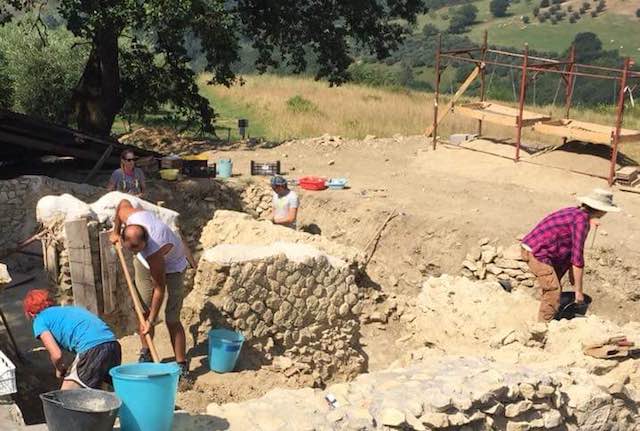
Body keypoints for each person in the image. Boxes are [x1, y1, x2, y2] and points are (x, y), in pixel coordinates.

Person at [110, 199, 195, 378]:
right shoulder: (133, 218)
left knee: (172, 318)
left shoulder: (154, 252)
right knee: (144, 312)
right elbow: (121, 204)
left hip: (174, 267)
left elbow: (159, 289)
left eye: (137, 250)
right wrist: (116, 231)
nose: (132, 252)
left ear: (145, 243)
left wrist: (152, 321)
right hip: (144, 262)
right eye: (129, 249)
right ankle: (146, 351)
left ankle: (181, 365)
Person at [521, 188, 620, 322]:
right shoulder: (581, 221)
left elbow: (571, 254)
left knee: (554, 289)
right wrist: (578, 292)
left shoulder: (574, 212)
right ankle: (542, 328)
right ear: (601, 210)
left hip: (539, 248)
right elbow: (577, 258)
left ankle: (550, 314)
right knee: (553, 291)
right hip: (538, 252)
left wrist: (575, 284)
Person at [23, 289, 121, 390]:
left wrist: (59, 369)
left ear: (31, 313)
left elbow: (56, 355)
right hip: (112, 344)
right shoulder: (67, 310)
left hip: (92, 348)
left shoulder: (39, 320)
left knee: (66, 396)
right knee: (109, 391)